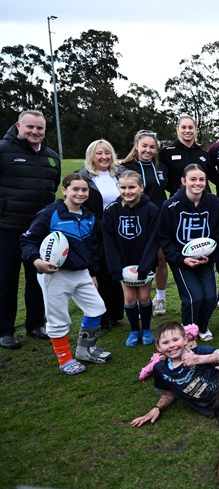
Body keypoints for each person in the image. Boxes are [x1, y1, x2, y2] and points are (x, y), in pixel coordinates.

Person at [20, 173, 108, 374]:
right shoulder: (50, 214)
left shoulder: (89, 217)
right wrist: (37, 261)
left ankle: (85, 350)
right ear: (64, 190)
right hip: (55, 275)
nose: (80, 193)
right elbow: (27, 241)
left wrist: (93, 273)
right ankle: (65, 360)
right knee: (58, 319)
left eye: (84, 189)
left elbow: (92, 250)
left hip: (82, 273)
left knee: (97, 309)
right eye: (75, 189)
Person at [0, 110, 60, 349]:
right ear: (18, 126)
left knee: (38, 279)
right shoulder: (3, 150)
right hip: (8, 228)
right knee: (6, 280)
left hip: (38, 231)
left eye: (40, 128)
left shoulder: (51, 157)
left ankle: (35, 324)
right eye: (30, 127)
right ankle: (5, 330)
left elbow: (52, 187)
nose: (35, 132)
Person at [159, 164, 219, 341]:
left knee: (211, 296)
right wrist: (181, 259)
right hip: (182, 261)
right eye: (193, 179)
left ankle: (202, 327)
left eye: (201, 179)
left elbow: (217, 233)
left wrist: (210, 256)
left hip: (205, 258)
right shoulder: (170, 205)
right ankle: (188, 332)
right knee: (193, 298)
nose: (198, 183)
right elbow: (164, 239)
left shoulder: (212, 202)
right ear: (183, 181)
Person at [102, 171, 161, 346]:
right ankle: (134, 330)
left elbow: (154, 239)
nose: (128, 191)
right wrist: (115, 267)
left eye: (132, 187)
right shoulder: (112, 210)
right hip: (123, 262)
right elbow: (108, 240)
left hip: (144, 260)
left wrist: (146, 265)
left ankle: (147, 328)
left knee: (143, 296)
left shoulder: (151, 209)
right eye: (123, 187)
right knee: (129, 298)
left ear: (141, 188)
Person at [77, 139, 126, 331]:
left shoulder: (120, 173)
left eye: (107, 153)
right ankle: (101, 318)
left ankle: (115, 314)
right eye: (99, 153)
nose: (104, 157)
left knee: (116, 270)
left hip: (119, 229)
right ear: (91, 156)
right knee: (99, 273)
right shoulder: (83, 176)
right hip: (95, 230)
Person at [121, 130, 169, 316]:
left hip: (160, 218)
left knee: (161, 259)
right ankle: (140, 302)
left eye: (152, 147)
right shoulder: (125, 167)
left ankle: (161, 298)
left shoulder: (162, 167)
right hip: (137, 219)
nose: (148, 150)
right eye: (144, 146)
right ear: (136, 147)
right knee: (140, 260)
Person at [158, 115, 216, 196]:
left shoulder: (204, 154)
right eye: (184, 127)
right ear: (177, 129)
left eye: (190, 127)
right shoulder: (166, 153)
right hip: (178, 201)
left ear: (195, 130)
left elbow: (215, 178)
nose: (187, 130)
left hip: (203, 201)